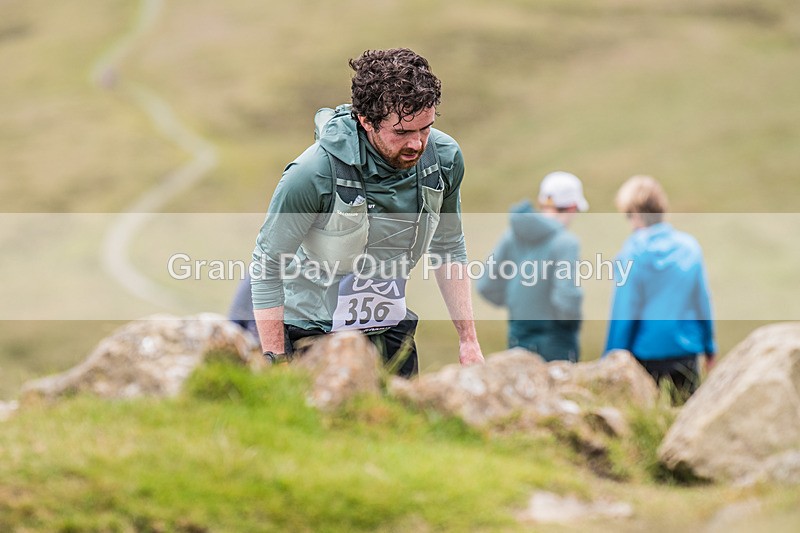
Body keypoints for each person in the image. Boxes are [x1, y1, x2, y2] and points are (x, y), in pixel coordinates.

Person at [250, 48, 484, 376]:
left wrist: (468, 341)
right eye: (402, 132)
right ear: (366, 121)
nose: (417, 144)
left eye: (425, 128)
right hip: (312, 333)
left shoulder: (443, 159)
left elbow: (448, 247)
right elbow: (267, 263)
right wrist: (277, 360)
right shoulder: (312, 173)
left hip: (389, 330)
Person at [604, 175, 716, 400]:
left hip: (645, 353)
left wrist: (611, 356)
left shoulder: (631, 253)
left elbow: (624, 310)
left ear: (635, 214)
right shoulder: (690, 247)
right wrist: (709, 346)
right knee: (686, 412)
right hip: (685, 351)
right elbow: (702, 301)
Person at [477, 171, 588, 362]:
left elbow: (486, 285)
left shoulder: (512, 235)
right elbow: (566, 299)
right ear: (572, 207)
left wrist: (518, 303)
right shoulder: (566, 243)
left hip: (517, 339)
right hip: (556, 345)